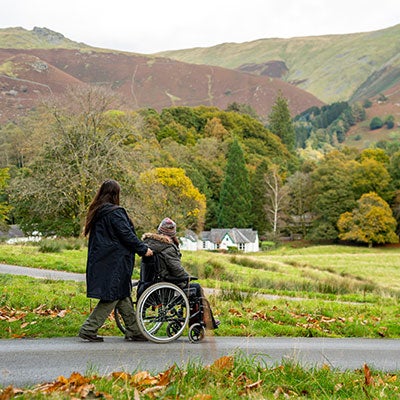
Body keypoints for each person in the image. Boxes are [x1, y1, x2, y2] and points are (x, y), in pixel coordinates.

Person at [78, 179, 153, 342]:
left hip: (102, 260)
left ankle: (134, 330)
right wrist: (143, 249)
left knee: (122, 293)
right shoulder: (115, 212)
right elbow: (126, 235)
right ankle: (89, 328)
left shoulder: (97, 212)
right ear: (115, 194)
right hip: (115, 262)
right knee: (112, 295)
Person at [141, 217, 219, 330]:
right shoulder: (167, 248)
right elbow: (177, 271)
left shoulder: (150, 244)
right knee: (196, 288)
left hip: (151, 284)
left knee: (194, 288)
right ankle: (203, 322)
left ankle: (201, 321)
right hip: (167, 287)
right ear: (172, 233)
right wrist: (188, 277)